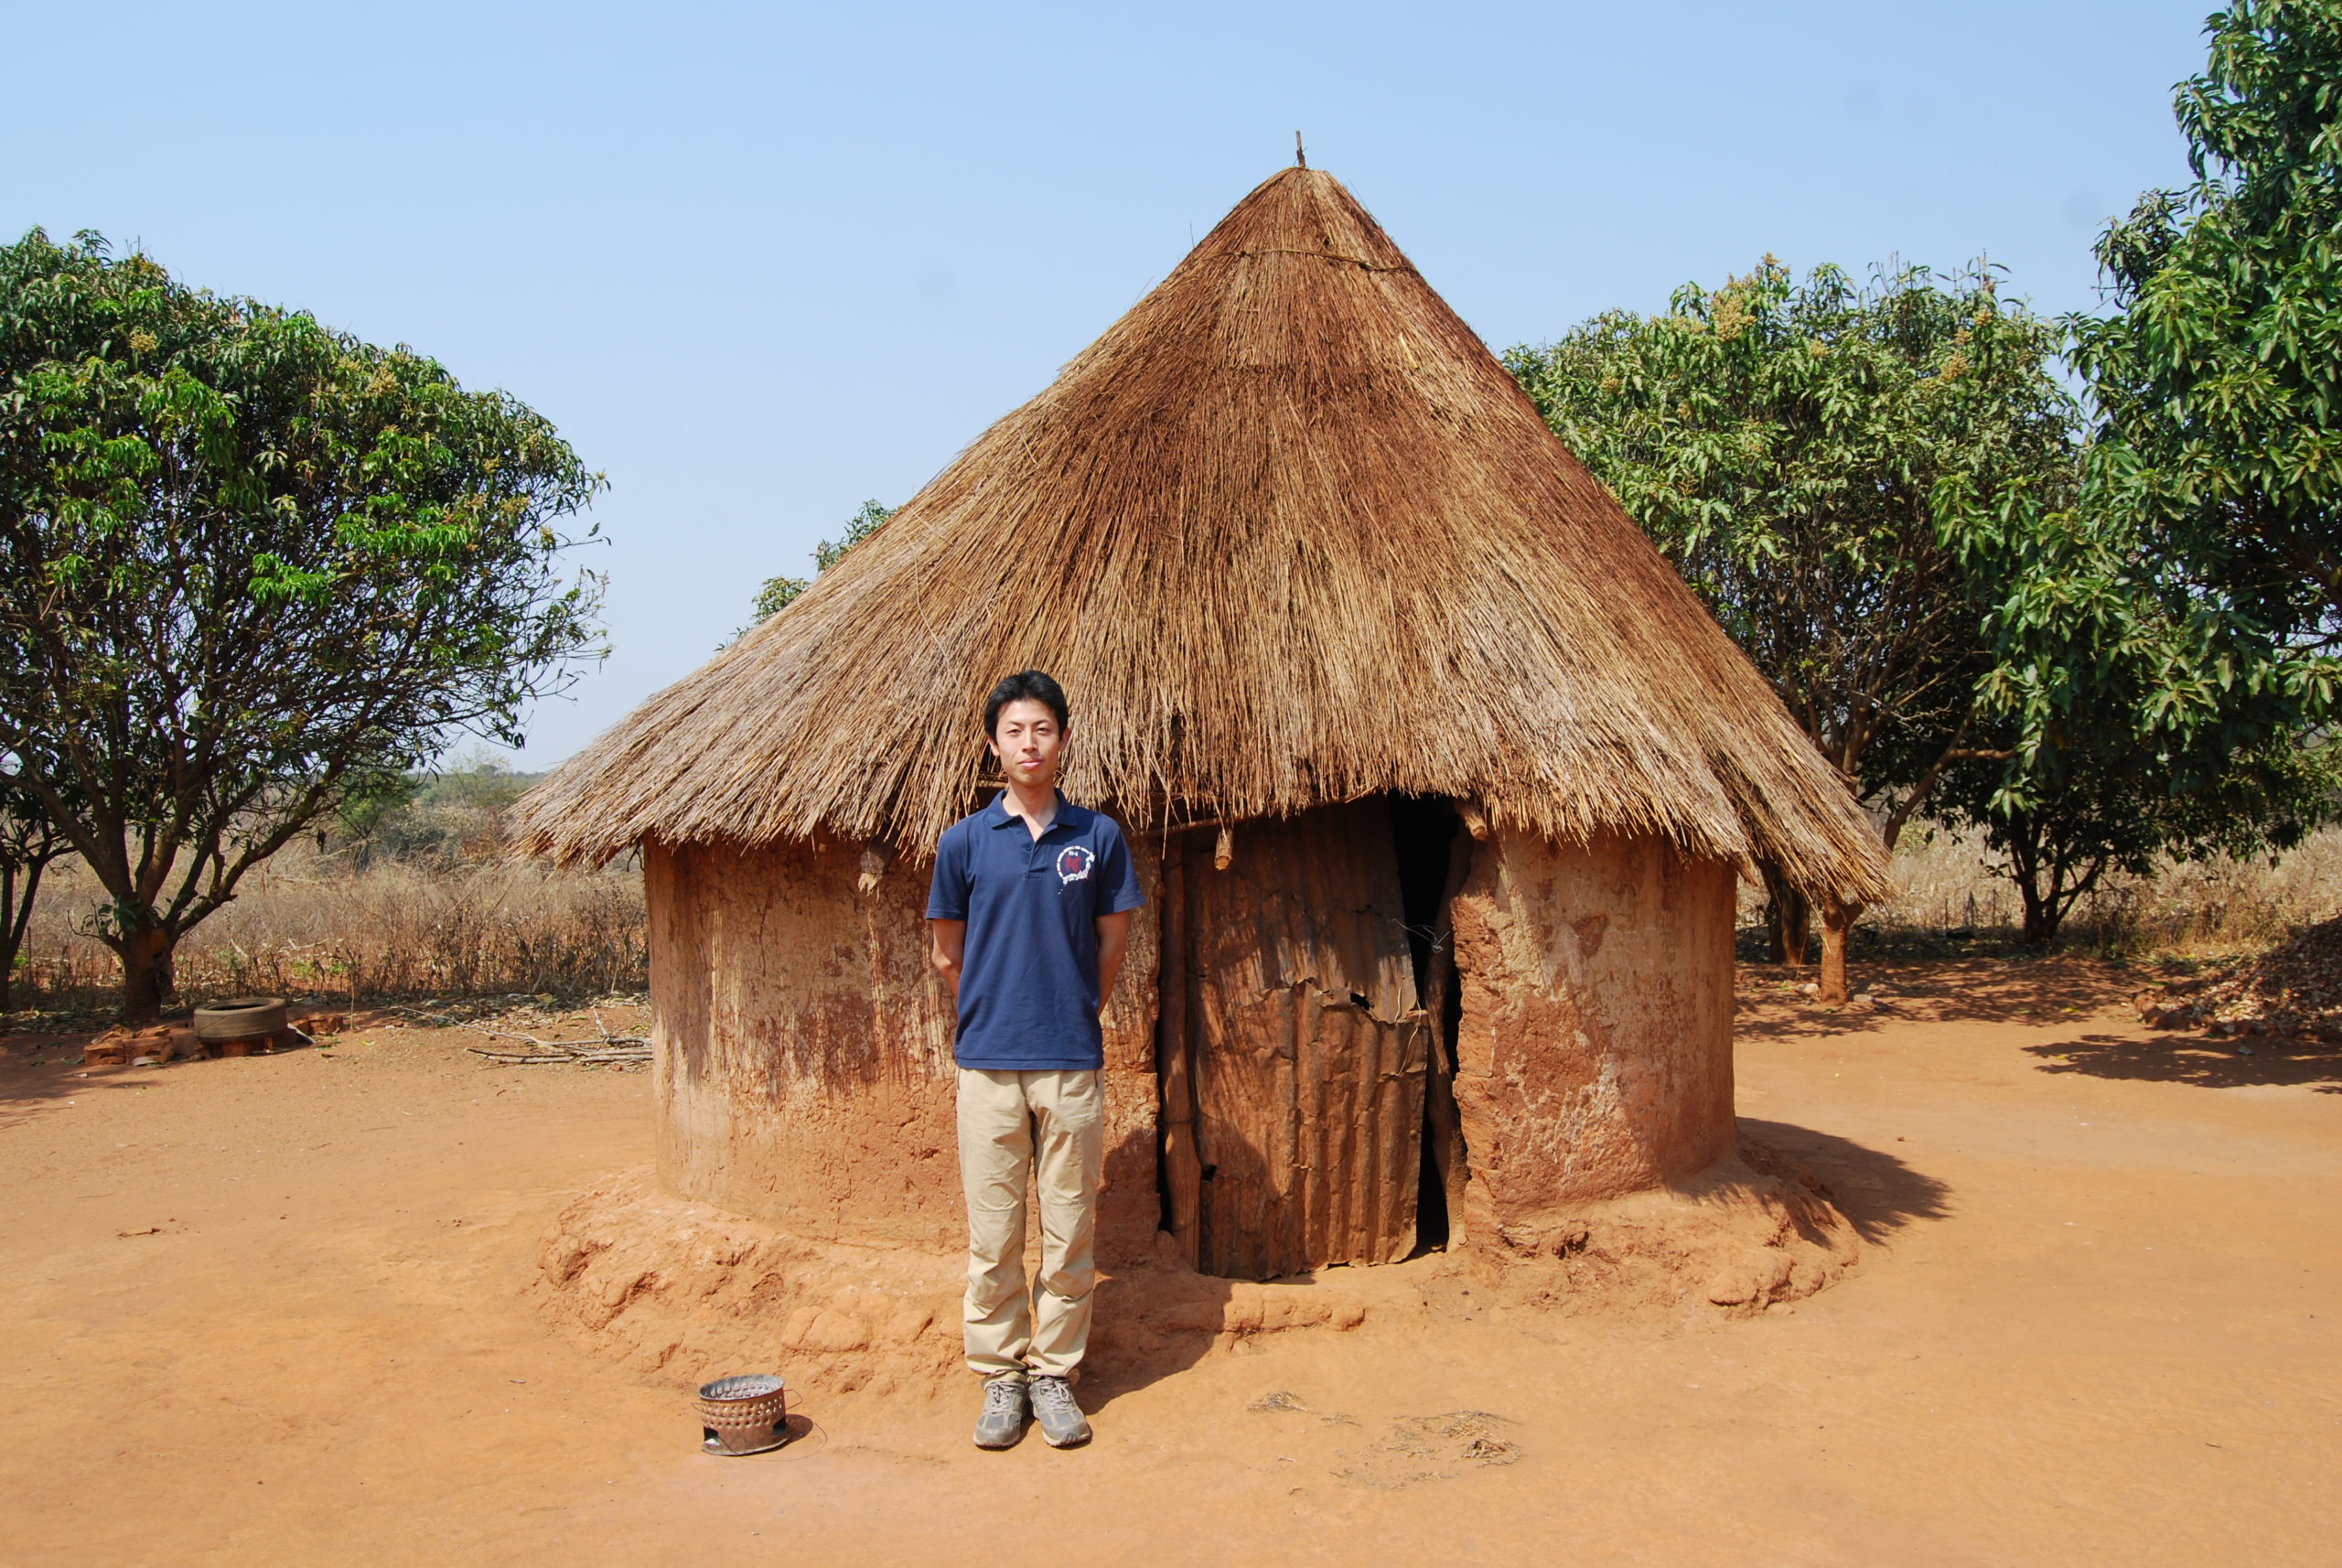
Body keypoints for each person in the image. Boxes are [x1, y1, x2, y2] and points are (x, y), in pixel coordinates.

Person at [926, 670, 1142, 1450]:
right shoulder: (963, 842)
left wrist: (1079, 1005)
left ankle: (1054, 1372)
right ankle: (1000, 1376)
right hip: (987, 1063)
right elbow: (947, 954)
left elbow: (1113, 940)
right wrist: (996, 1010)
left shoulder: (1098, 836)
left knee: (1070, 1226)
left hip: (1070, 1060)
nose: (1029, 743)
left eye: (1042, 729)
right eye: (1015, 731)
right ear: (995, 745)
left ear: (1063, 739)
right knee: (993, 1233)